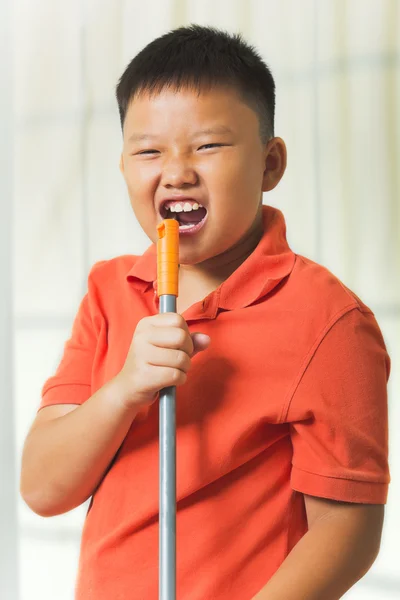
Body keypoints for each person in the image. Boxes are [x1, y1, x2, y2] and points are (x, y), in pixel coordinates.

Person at [20, 25, 390, 600]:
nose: (177, 170)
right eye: (148, 151)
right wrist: (124, 390)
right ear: (123, 168)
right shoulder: (108, 290)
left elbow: (348, 528)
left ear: (270, 165)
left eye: (208, 146)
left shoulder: (329, 319)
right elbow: (44, 488)